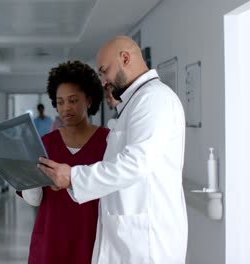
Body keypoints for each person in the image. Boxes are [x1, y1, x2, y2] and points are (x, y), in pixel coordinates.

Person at [38, 35, 188, 263]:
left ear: (125, 58)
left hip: (147, 241)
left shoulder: (153, 99)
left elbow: (135, 163)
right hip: (129, 236)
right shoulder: (136, 102)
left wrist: (73, 177)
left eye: (104, 71)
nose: (103, 80)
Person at [19, 60, 108, 264]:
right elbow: (33, 198)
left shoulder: (108, 141)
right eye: (60, 102)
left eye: (73, 100)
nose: (66, 108)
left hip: (92, 238)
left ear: (89, 100)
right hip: (51, 239)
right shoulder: (45, 144)